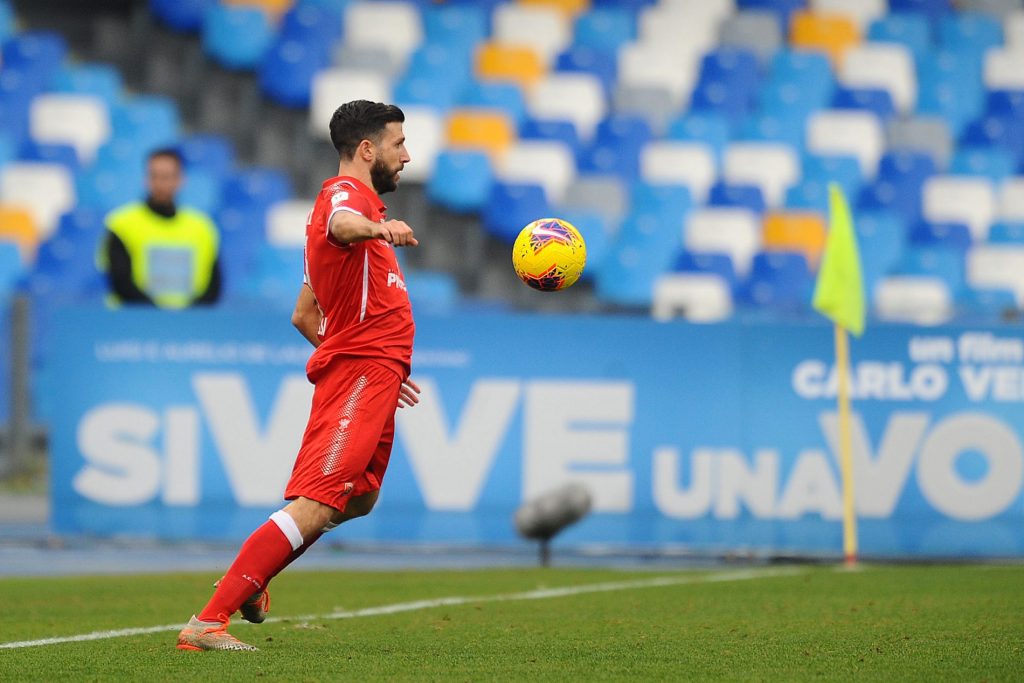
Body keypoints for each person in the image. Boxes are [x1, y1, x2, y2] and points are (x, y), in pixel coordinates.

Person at [177, 100, 421, 651]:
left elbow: (304, 315)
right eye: (398, 144)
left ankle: (253, 578)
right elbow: (341, 223)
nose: (406, 156)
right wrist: (379, 232)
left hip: (374, 369)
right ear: (367, 149)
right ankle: (207, 623)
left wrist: (379, 361)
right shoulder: (346, 200)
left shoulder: (356, 216)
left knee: (358, 498)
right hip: (363, 370)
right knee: (319, 498)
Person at [98, 147, 222, 308]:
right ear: (146, 179)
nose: (160, 184)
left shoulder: (202, 227)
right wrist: (159, 314)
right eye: (154, 176)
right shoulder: (121, 223)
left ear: (181, 180)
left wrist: (186, 315)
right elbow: (120, 282)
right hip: (134, 319)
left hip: (188, 321)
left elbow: (214, 286)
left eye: (167, 176)